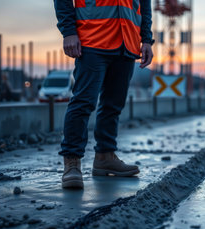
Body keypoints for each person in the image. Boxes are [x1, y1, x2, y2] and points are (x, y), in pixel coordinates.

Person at [54, 0, 154, 189]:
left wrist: (146, 39)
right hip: (93, 38)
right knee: (83, 102)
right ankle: (72, 163)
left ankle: (105, 157)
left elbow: (144, 3)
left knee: (113, 105)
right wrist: (69, 31)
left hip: (127, 41)